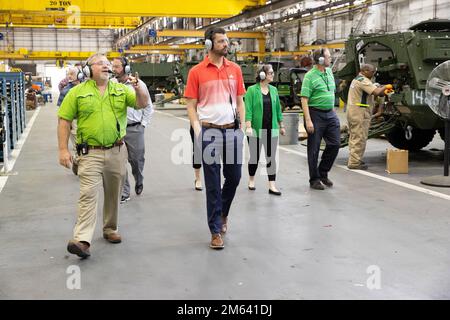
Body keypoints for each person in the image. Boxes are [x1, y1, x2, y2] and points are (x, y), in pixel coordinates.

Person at [57, 53, 150, 259]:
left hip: (117, 150)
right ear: (88, 70)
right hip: (89, 153)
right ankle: (82, 239)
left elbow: (142, 103)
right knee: (88, 194)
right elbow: (64, 121)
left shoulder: (121, 89)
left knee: (113, 193)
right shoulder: (76, 92)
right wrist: (63, 150)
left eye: (108, 64)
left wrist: (139, 86)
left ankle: (110, 229)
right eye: (101, 64)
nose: (107, 66)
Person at [184, 26, 246, 250]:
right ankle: (215, 230)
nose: (225, 44)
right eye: (221, 41)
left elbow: (240, 100)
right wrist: (197, 128)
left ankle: (223, 213)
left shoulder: (235, 69)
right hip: (209, 132)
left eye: (226, 41)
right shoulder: (196, 72)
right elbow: (190, 104)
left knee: (234, 177)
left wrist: (241, 126)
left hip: (231, 131)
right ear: (209, 45)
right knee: (212, 183)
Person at [111, 57, 153, 203]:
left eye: (117, 66)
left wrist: (143, 124)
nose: (113, 69)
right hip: (117, 130)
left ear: (126, 68)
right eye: (113, 66)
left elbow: (148, 106)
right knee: (119, 162)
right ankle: (125, 191)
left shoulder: (137, 84)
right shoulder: (111, 84)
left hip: (135, 128)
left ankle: (139, 178)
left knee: (136, 160)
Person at [300, 47, 340, 190]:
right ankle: (314, 179)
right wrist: (308, 120)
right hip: (315, 114)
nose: (331, 59)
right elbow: (304, 99)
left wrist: (332, 110)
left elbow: (331, 92)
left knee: (335, 144)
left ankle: (323, 172)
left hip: (330, 114)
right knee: (314, 149)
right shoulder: (310, 76)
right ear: (321, 59)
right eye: (329, 57)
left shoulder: (329, 72)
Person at [245, 64, 286, 195]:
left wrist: (281, 125)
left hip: (271, 128)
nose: (273, 75)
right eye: (271, 73)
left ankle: (272, 185)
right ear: (262, 75)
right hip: (255, 129)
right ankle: (251, 179)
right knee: (254, 157)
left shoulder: (274, 90)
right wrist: (248, 126)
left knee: (271, 157)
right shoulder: (251, 90)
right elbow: (248, 109)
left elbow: (278, 109)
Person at [346, 64, 392, 170]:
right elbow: (376, 92)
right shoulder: (363, 80)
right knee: (359, 137)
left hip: (355, 111)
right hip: (359, 112)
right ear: (365, 71)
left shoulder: (358, 79)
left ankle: (355, 159)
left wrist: (382, 90)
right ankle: (354, 162)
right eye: (372, 72)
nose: (373, 74)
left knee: (355, 136)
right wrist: (387, 86)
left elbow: (377, 94)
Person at [57, 66, 82, 175]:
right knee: (79, 144)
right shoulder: (66, 91)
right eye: (68, 74)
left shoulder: (87, 87)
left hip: (88, 121)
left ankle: (78, 160)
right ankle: (78, 161)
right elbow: (61, 113)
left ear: (80, 75)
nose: (69, 76)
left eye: (72, 74)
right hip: (75, 121)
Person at [190, 125, 203, 191]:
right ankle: (198, 179)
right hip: (197, 124)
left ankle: (216, 179)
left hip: (213, 124)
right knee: (197, 152)